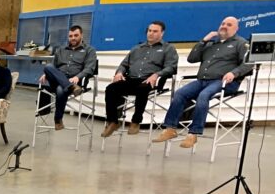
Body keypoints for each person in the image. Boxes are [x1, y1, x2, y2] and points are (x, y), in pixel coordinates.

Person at [153, 16, 251, 149]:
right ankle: (170, 128)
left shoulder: (241, 43)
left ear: (236, 28)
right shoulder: (211, 44)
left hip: (223, 82)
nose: (224, 26)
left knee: (203, 96)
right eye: (223, 23)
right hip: (202, 80)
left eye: (229, 25)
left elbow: (249, 63)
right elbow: (191, 59)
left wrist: (234, 73)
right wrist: (204, 40)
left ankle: (193, 133)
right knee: (180, 93)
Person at [102, 21, 178, 137]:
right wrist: (119, 72)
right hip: (131, 79)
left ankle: (136, 121)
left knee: (143, 88)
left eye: (155, 31)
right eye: (149, 31)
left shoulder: (168, 49)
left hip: (148, 80)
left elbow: (171, 67)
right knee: (111, 88)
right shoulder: (136, 48)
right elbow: (124, 64)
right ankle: (113, 121)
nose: (151, 34)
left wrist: (157, 74)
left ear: (162, 33)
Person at [39, 25, 97, 130]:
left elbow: (89, 68)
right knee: (47, 67)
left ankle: (58, 120)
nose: (73, 38)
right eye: (70, 36)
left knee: (61, 90)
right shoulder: (61, 50)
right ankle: (70, 87)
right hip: (58, 80)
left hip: (75, 82)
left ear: (81, 35)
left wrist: (78, 77)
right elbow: (53, 66)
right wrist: (47, 73)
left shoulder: (90, 50)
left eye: (76, 35)